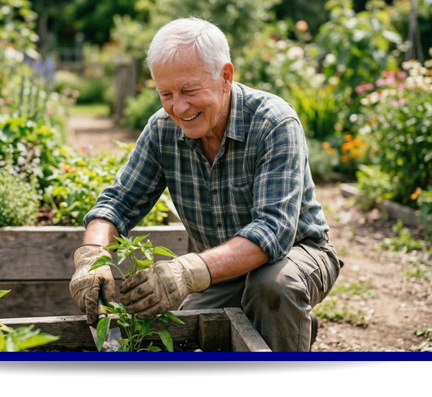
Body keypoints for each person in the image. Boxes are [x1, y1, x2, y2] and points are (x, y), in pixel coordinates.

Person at [69, 17, 343, 352]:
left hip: (297, 253)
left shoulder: (274, 122)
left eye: (188, 90)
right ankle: (287, 324)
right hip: (221, 269)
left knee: (273, 288)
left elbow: (273, 231)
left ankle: (285, 327)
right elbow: (117, 203)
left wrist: (186, 272)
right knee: (191, 336)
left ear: (225, 77)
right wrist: (91, 257)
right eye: (165, 93)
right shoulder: (162, 131)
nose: (178, 107)